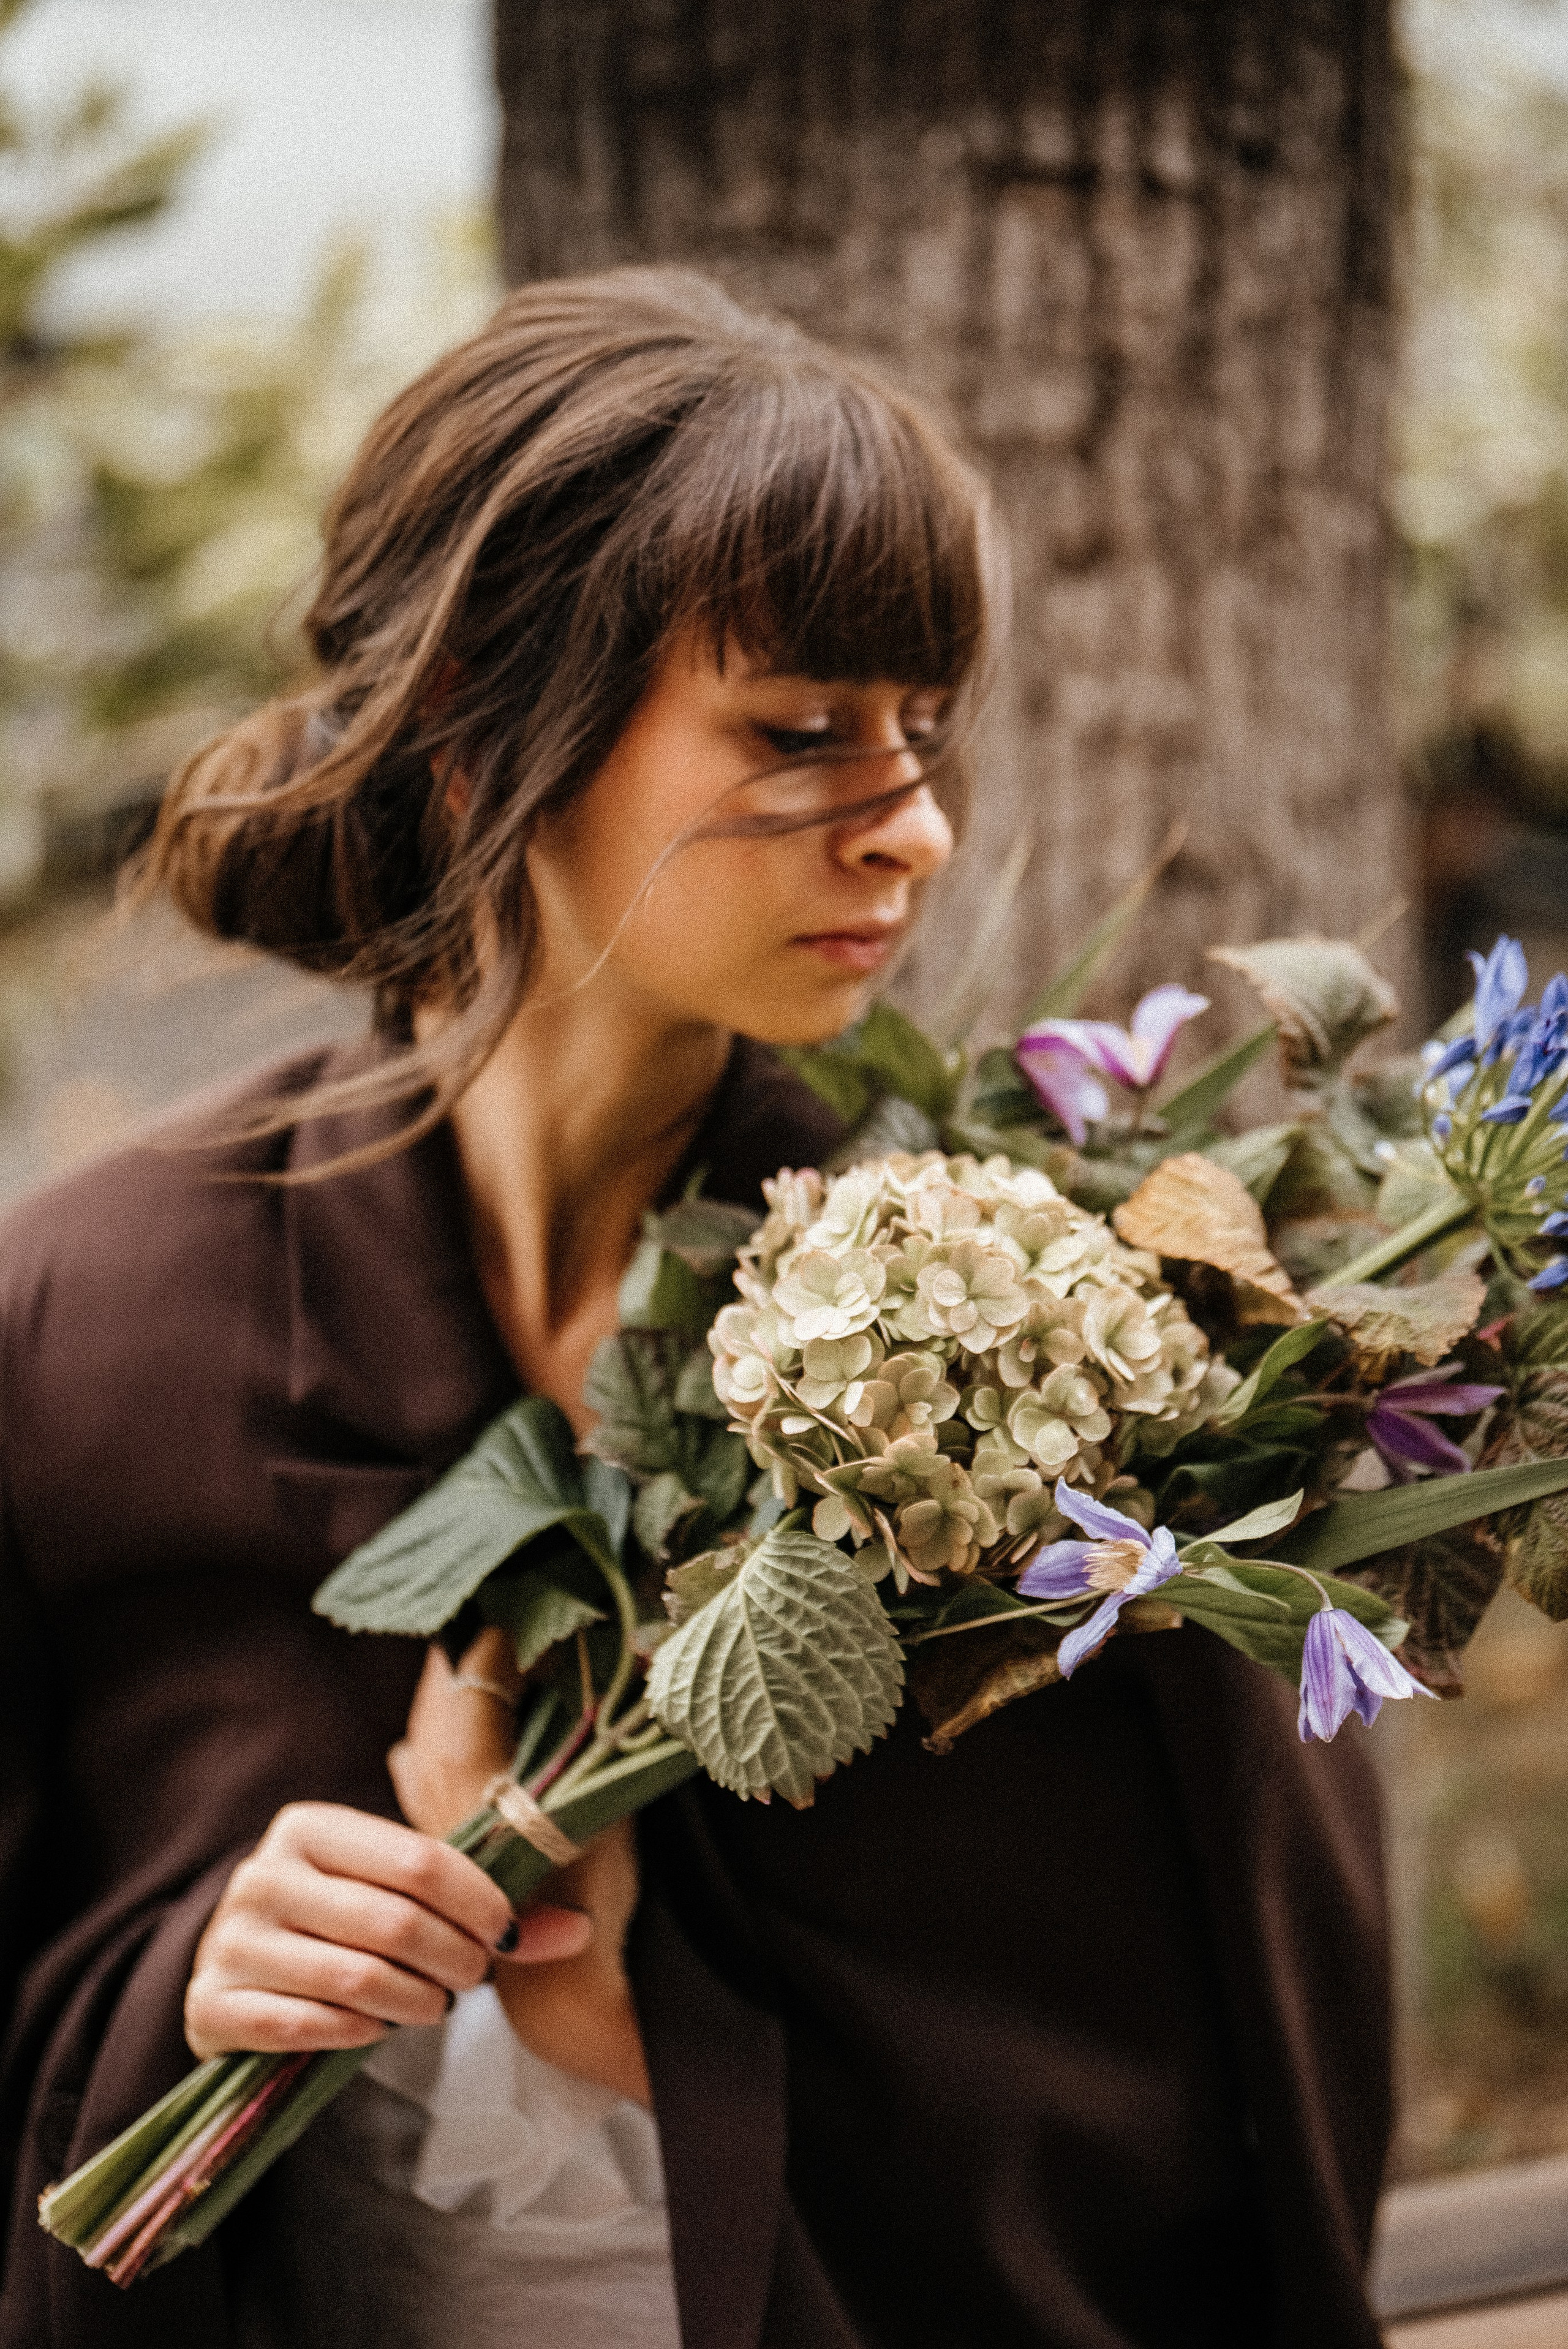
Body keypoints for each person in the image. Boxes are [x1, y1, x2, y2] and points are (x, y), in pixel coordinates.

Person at [0, 269, 1392, 2349]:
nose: (912, 823)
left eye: (923, 731)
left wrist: (613, 2031)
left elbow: (1214, 2122)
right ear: (485, 727)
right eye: (801, 731)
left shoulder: (1039, 1345)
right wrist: (196, 1984)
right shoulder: (90, 1327)